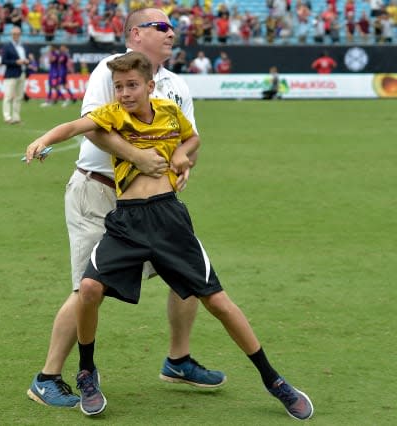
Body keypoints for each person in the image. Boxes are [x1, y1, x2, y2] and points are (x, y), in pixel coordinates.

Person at [26, 51, 314, 421]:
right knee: (90, 288)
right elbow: (75, 127)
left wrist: (182, 154)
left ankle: (273, 380)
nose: (125, 93)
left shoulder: (169, 111)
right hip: (127, 221)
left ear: (150, 86)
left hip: (169, 219)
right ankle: (86, 372)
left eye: (132, 86)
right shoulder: (113, 114)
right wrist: (42, 140)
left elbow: (194, 139)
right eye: (119, 87)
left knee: (218, 302)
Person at [26, 7, 226, 410]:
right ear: (136, 34)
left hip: (152, 201)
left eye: (173, 26)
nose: (173, 32)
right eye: (162, 26)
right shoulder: (110, 70)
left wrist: (181, 164)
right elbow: (94, 127)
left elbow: (190, 140)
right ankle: (47, 377)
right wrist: (137, 156)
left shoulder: (175, 85)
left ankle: (178, 359)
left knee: (186, 275)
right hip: (98, 193)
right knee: (87, 288)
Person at [0, 26, 29, 124]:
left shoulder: (23, 46)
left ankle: (16, 117)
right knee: (8, 96)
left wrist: (27, 61)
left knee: (18, 97)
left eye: (18, 34)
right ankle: (7, 117)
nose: (16, 35)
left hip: (22, 73)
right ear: (11, 35)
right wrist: (16, 62)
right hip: (11, 74)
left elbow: (27, 57)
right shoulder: (7, 46)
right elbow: (3, 60)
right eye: (14, 34)